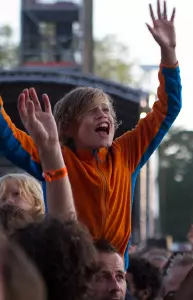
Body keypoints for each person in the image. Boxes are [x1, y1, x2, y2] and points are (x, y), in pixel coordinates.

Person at [0, 0, 181, 268]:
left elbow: (168, 108)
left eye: (107, 110)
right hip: (73, 278)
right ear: (68, 126)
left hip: (115, 278)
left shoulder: (127, 153)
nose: (104, 115)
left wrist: (169, 53)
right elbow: (5, 135)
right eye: (92, 111)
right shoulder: (54, 155)